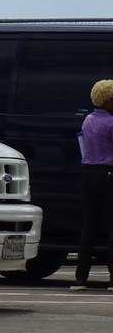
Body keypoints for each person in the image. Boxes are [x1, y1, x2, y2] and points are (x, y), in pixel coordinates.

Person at [71, 78, 113, 290]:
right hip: (108, 173)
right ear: (106, 101)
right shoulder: (111, 123)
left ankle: (81, 277)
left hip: (88, 174)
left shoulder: (87, 120)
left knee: (89, 227)